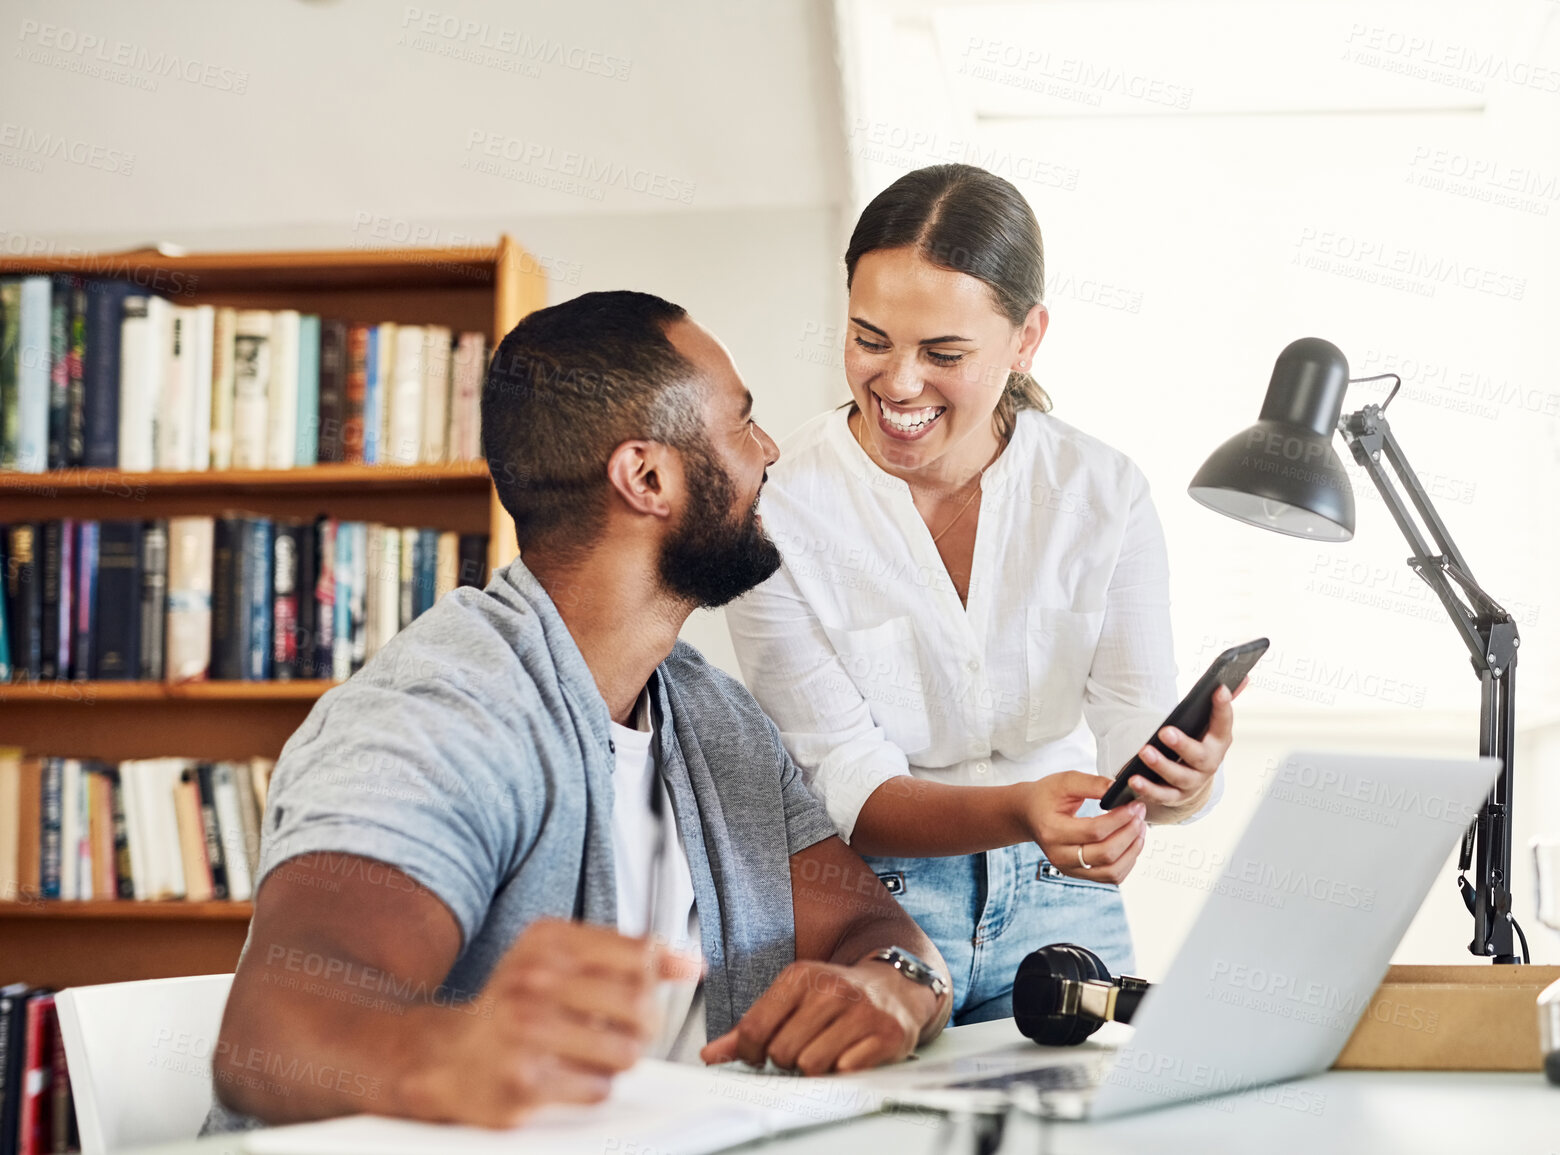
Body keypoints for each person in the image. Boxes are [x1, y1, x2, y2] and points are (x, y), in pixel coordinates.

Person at [205, 291, 953, 1132]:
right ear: (647, 476)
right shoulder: (438, 716)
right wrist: (450, 1051)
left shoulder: (713, 717)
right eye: (742, 424)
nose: (769, 450)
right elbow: (274, 1029)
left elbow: (867, 921)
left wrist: (890, 984)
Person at [725, 164, 1239, 1024]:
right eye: (869, 338)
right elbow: (845, 781)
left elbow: (1133, 727)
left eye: (943, 353)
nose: (896, 383)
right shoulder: (777, 508)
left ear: (1026, 337)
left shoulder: (1099, 492)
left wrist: (1180, 785)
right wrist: (1022, 809)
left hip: (1062, 899)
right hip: (871, 907)